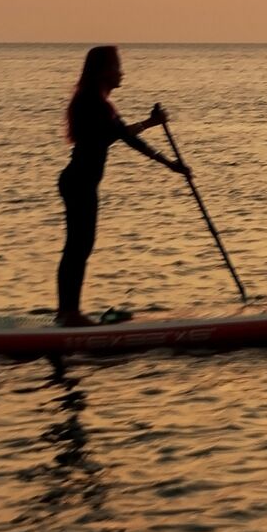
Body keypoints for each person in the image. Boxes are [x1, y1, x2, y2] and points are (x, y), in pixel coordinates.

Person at [57, 44, 186, 325]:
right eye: (117, 66)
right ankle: (68, 313)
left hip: (81, 182)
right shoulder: (93, 103)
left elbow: (126, 137)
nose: (122, 73)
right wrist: (158, 139)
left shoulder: (100, 102)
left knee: (81, 246)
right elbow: (120, 136)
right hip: (78, 182)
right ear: (103, 72)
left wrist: (167, 157)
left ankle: (68, 311)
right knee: (78, 247)